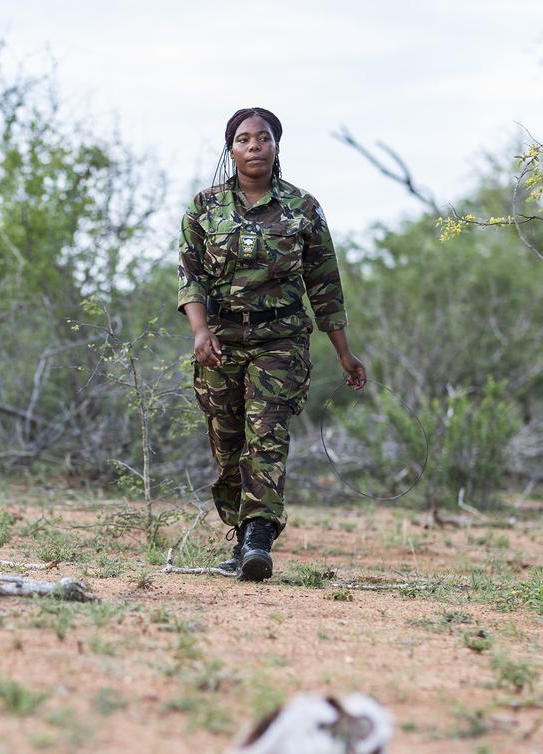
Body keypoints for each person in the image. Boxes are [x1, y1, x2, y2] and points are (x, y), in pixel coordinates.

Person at [178, 107, 365, 581]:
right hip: (221, 341)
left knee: (268, 436)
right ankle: (241, 536)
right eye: (244, 139)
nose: (254, 146)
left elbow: (325, 285)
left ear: (277, 146)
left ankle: (259, 537)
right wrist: (200, 332)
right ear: (232, 150)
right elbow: (190, 278)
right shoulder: (203, 208)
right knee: (227, 443)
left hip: (281, 341)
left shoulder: (303, 208)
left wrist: (344, 352)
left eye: (263, 138)